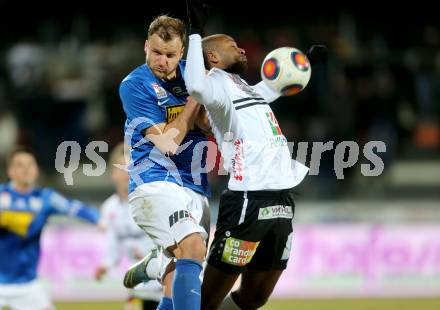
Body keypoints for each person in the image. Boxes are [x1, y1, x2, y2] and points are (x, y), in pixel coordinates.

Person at [184, 1, 326, 308]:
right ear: (213, 57)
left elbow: (276, 85)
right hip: (249, 198)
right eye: (233, 46)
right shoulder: (215, 88)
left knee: (253, 298)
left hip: (281, 199)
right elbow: (194, 83)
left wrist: (304, 63)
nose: (243, 50)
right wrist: (195, 33)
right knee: (206, 300)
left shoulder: (245, 89)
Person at [119, 15, 211, 310]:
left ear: (181, 53)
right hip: (154, 181)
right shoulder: (135, 85)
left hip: (195, 183)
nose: (162, 61)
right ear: (146, 46)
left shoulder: (193, 76)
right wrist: (193, 103)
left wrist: (206, 102)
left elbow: (209, 126)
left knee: (182, 272)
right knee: (193, 245)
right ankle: (158, 264)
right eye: (156, 52)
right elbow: (168, 143)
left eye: (170, 55)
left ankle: (157, 264)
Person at [0, 147, 100, 310]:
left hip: (28, 285)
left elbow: (75, 208)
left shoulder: (46, 198)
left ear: (36, 171)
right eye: (20, 165)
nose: (25, 169)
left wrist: (99, 220)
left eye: (30, 165)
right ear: (10, 171)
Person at [94, 143, 162, 310]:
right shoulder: (109, 208)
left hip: (164, 279)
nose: (126, 172)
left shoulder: (152, 201)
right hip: (141, 283)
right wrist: (106, 264)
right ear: (112, 174)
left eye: (130, 167)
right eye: (120, 167)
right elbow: (113, 241)